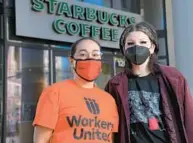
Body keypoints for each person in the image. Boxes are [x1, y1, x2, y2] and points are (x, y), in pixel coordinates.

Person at [105, 21, 193, 143]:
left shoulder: (173, 78)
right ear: (124, 49)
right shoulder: (115, 84)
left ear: (152, 47)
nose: (137, 47)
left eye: (143, 42)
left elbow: (189, 118)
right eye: (130, 43)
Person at [33, 37, 119, 143]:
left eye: (95, 55)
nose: (90, 59)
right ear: (72, 61)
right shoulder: (55, 92)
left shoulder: (109, 100)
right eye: (83, 54)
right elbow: (41, 140)